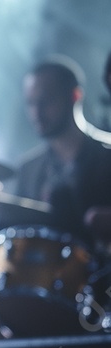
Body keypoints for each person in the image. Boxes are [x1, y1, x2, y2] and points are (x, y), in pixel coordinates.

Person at [14, 58, 111, 245]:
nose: (37, 112)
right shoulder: (28, 170)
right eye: (31, 103)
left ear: (75, 96)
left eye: (46, 100)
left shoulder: (107, 157)